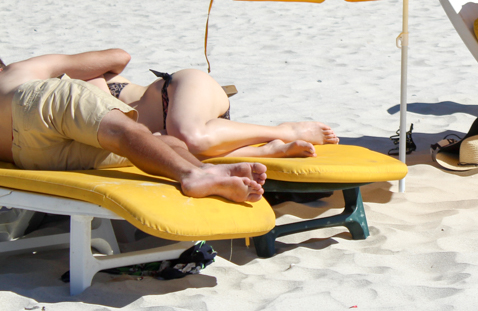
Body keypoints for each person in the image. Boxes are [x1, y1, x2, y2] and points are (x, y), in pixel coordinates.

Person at [0, 49, 266, 203]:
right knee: (126, 132)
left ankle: (205, 170)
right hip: (32, 104)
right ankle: (193, 175)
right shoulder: (18, 70)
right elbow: (119, 57)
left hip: (30, 156)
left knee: (159, 144)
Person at [95, 68, 337, 159]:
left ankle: (284, 130)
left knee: (190, 137)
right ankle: (265, 151)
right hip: (180, 129)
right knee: (181, 146)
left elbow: (101, 103)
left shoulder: (75, 80)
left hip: (177, 90)